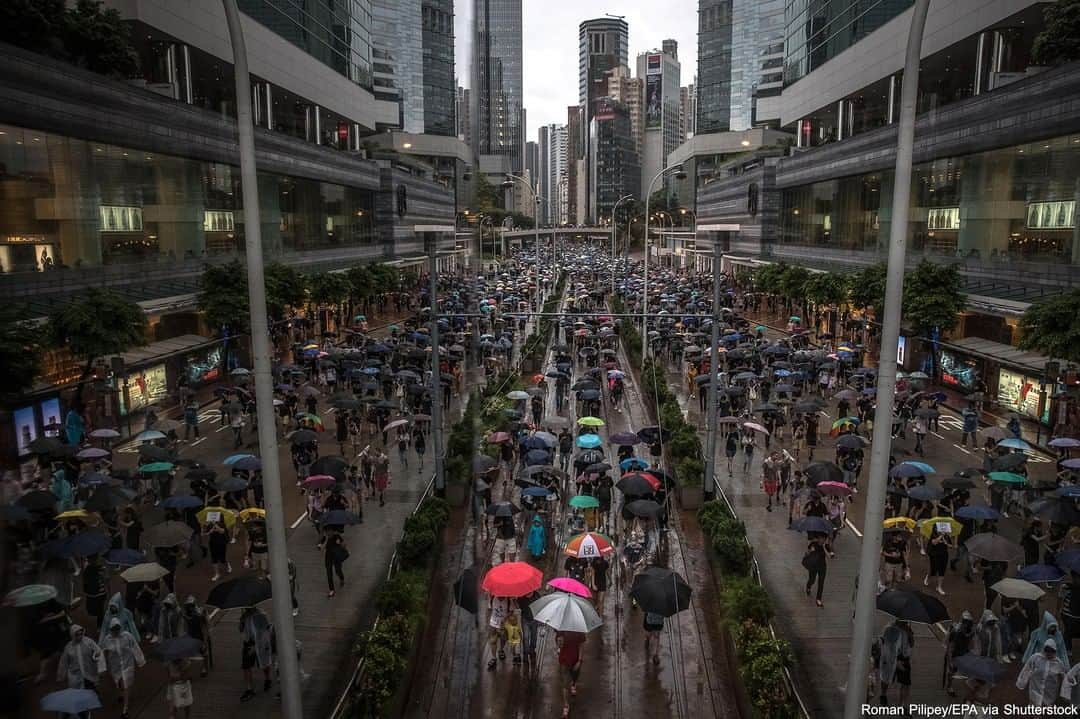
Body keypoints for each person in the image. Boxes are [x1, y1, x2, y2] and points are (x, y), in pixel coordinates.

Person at [101, 617, 145, 719]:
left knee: (125, 685)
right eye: (113, 628)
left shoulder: (127, 636)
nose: (116, 630)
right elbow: (102, 652)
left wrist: (140, 661)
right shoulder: (107, 639)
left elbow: (135, 647)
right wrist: (102, 667)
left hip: (127, 665)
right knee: (120, 683)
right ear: (110, 629)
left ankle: (125, 710)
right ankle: (122, 694)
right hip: (115, 667)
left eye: (117, 628)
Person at [57, 625, 106, 715]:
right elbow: (63, 662)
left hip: (89, 672)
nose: (80, 636)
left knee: (89, 688)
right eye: (77, 634)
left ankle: (89, 704)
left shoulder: (88, 642)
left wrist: (97, 658)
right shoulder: (68, 647)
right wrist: (61, 675)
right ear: (73, 635)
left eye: (81, 633)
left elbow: (97, 651)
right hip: (75, 676)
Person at [1017, 639, 1066, 706]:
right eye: (1047, 651)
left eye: (1051, 651)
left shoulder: (1058, 663)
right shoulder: (1035, 658)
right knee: (1035, 703)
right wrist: (1022, 682)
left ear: (1054, 651)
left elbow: (1064, 677)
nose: (1049, 653)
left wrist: (1066, 691)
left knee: (1047, 705)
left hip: (1050, 690)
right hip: (1036, 687)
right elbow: (1027, 669)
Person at [876, 621, 913, 706]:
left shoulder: (908, 629)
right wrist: (896, 662)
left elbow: (912, 644)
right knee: (886, 678)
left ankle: (901, 705)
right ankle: (883, 695)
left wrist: (910, 633)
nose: (906, 621)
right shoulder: (890, 629)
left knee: (905, 683)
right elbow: (888, 648)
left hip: (904, 658)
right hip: (892, 658)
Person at [239, 607, 273, 702]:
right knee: (246, 666)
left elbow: (264, 634)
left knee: (264, 664)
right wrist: (241, 621)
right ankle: (249, 689)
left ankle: (267, 679)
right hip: (248, 643)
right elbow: (241, 630)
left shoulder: (260, 615)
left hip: (259, 644)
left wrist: (256, 647)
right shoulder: (244, 616)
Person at [944, 611, 976, 696]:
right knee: (952, 670)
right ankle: (949, 686)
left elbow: (970, 645)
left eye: (968, 623)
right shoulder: (956, 632)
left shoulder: (970, 631)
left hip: (963, 652)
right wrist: (950, 659)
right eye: (965, 622)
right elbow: (950, 647)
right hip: (955, 652)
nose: (966, 625)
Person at [556, 630, 586, 718]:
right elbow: (559, 645)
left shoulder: (579, 630)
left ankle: (573, 684)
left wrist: (580, 661)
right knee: (565, 684)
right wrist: (559, 642)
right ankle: (566, 705)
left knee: (575, 676)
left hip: (575, 660)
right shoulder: (561, 630)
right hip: (564, 661)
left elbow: (581, 645)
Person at [181, 596, 212, 676]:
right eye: (188, 606)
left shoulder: (200, 611)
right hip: (191, 634)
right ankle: (188, 669)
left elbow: (207, 623)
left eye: (191, 605)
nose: (189, 607)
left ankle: (205, 667)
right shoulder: (186, 612)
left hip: (200, 634)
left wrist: (207, 634)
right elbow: (186, 621)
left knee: (203, 651)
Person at [924, 524, 950, 596]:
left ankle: (939, 587)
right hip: (934, 554)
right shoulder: (933, 535)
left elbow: (951, 546)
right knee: (933, 570)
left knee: (942, 570)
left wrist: (946, 543)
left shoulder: (946, 536)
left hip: (944, 554)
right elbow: (934, 542)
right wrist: (941, 536)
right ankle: (928, 576)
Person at [321, 528, 348, 597]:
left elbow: (344, 545)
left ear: (333, 531)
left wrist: (340, 543)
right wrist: (326, 540)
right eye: (327, 532)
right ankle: (331, 590)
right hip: (328, 558)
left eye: (329, 531)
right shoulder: (325, 538)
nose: (328, 533)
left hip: (336, 557)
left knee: (338, 570)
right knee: (329, 574)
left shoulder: (337, 536)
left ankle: (341, 578)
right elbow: (321, 548)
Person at [803, 535, 827, 608]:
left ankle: (818, 599)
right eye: (821, 538)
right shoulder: (813, 544)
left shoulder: (825, 546)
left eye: (824, 539)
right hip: (814, 566)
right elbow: (807, 553)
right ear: (818, 538)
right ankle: (808, 586)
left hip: (822, 567)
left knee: (821, 582)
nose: (822, 540)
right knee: (812, 580)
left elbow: (830, 556)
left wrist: (824, 548)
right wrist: (810, 551)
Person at [486, 597, 509, 671]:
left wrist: (505, 619)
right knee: (493, 641)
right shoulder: (492, 598)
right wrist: (488, 623)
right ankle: (493, 657)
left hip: (503, 625)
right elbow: (489, 610)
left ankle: (501, 650)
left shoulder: (508, 600)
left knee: (503, 639)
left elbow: (511, 611)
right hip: (493, 624)